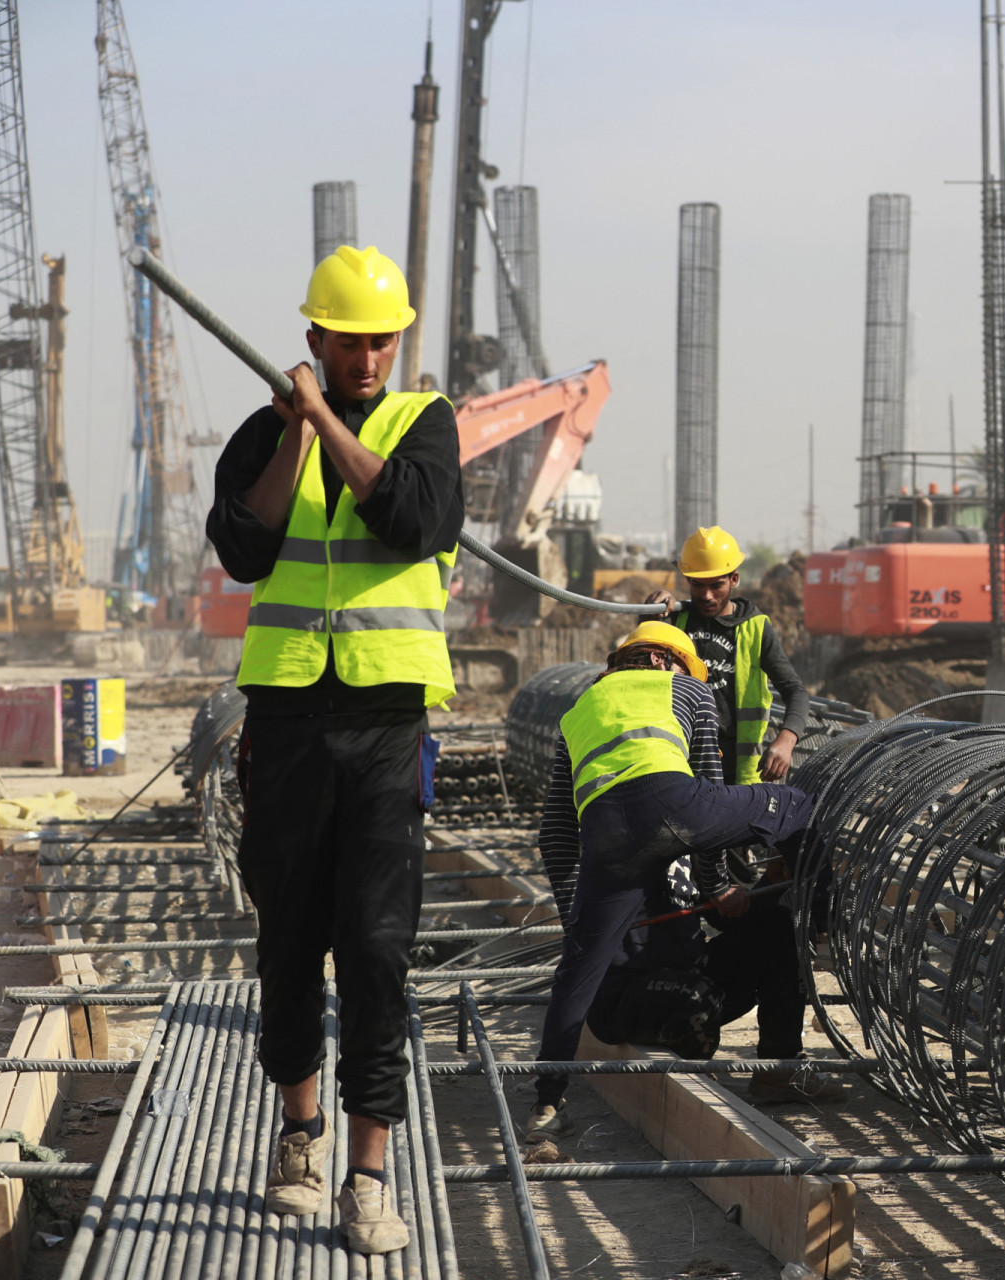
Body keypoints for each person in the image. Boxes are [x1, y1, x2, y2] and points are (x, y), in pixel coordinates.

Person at [205, 245, 459, 1253]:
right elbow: (245, 548)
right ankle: (298, 1136)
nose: (369, 354)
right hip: (288, 722)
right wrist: (296, 434)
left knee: (378, 947)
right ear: (313, 338)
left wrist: (329, 425)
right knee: (288, 939)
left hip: (387, 724)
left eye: (383, 337)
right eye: (351, 338)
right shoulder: (264, 438)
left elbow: (407, 518)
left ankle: (367, 1175)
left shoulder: (422, 426)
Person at [526, 623, 840, 1148]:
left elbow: (556, 834)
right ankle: (829, 927)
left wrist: (581, 919)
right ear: (661, 660)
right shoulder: (687, 688)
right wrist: (718, 883)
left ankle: (546, 1104)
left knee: (578, 970)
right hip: (671, 815)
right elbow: (709, 793)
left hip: (609, 836)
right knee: (796, 805)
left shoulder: (577, 714)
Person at [644, 527, 810, 783]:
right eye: (697, 585)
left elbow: (795, 690)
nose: (706, 595)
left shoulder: (755, 628)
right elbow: (638, 668)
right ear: (687, 579)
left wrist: (787, 739)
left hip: (737, 771)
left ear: (734, 579)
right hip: (678, 762)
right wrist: (649, 615)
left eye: (716, 585)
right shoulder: (674, 622)